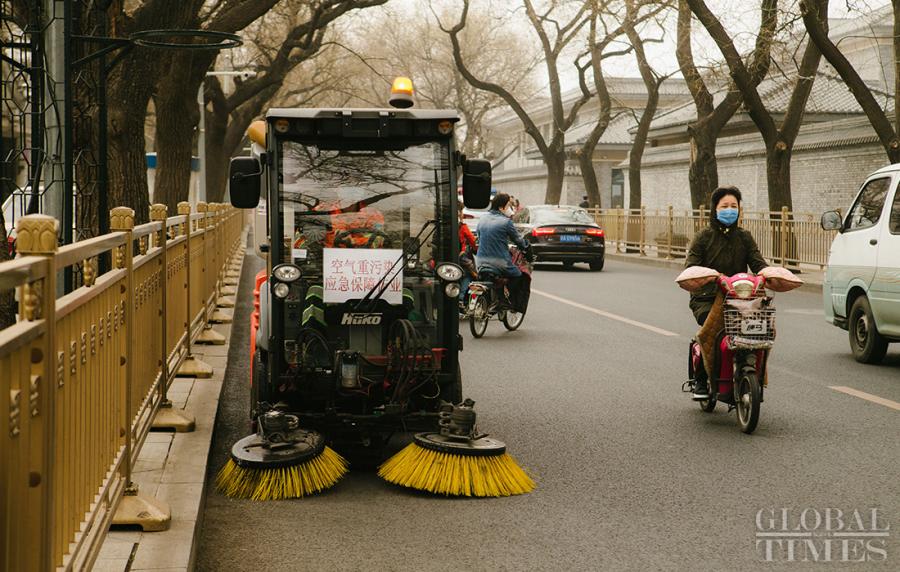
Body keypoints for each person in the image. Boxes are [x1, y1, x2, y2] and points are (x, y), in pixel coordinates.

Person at [684, 186, 767, 400]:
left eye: (733, 206)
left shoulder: (744, 237)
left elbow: (758, 264)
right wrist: (712, 278)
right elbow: (690, 268)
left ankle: (749, 370)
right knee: (712, 332)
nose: (729, 210)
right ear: (715, 209)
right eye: (724, 206)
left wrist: (768, 275)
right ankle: (701, 381)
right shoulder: (703, 237)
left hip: (740, 298)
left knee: (759, 332)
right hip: (707, 299)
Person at [475, 193, 532, 311]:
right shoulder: (506, 222)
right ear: (501, 207)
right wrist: (526, 246)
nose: (511, 209)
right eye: (509, 206)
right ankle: (503, 301)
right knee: (517, 275)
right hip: (500, 263)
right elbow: (518, 241)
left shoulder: (482, 218)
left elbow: (479, 238)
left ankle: (498, 298)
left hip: (480, 261)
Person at [458, 209, 477, 305]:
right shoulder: (462, 227)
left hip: (443, 258)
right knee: (469, 274)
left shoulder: (441, 226)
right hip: (459, 258)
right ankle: (460, 298)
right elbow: (473, 242)